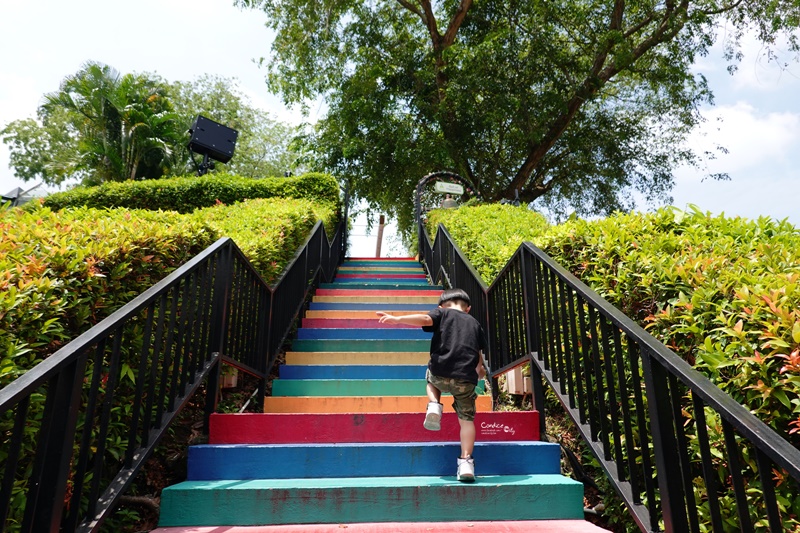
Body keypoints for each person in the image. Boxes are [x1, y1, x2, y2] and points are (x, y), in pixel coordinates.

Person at [377, 288, 487, 482]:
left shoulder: (442, 313)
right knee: (466, 420)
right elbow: (478, 356)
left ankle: (435, 404)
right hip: (466, 380)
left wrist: (397, 319)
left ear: (441, 306)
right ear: (468, 308)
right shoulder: (476, 324)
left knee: (430, 377)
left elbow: (425, 319)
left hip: (440, 373)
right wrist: (480, 372)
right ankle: (466, 462)